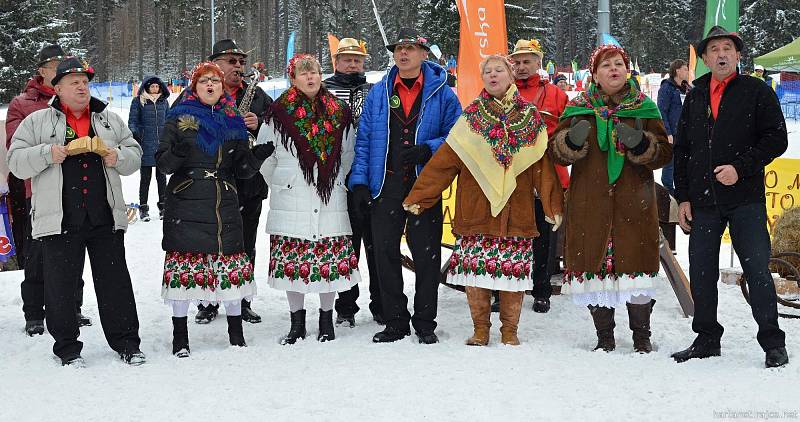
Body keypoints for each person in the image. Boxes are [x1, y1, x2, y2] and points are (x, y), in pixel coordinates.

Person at [403, 55, 563, 346]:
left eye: (498, 70)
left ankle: (510, 332)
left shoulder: (530, 117)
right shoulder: (471, 117)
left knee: (512, 276)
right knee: (475, 275)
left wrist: (552, 205)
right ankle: (480, 330)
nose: (492, 75)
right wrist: (421, 195)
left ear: (510, 76)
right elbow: (446, 161)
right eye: (487, 71)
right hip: (476, 210)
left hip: (517, 210)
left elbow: (542, 165)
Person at [8, 57, 145, 366]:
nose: (82, 86)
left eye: (85, 82)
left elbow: (135, 154)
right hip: (60, 218)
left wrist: (117, 156)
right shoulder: (37, 122)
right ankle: (68, 348)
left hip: (104, 217)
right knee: (60, 286)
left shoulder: (109, 119)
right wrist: (47, 152)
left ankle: (127, 342)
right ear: (58, 88)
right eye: (75, 82)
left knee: (115, 281)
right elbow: (15, 162)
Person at [671, 26, 789, 368]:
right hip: (704, 201)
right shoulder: (694, 96)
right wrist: (685, 198)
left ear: (738, 55)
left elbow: (776, 139)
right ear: (705, 58)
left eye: (727, 48)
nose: (721, 54)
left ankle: (772, 341)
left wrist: (741, 166)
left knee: (757, 269)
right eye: (714, 49)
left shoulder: (756, 91)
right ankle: (707, 337)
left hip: (745, 198)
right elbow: (683, 150)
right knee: (703, 272)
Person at [550, 44, 672, 353]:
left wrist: (643, 144)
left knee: (636, 271)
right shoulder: (578, 107)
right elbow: (556, 153)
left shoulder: (644, 107)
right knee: (594, 270)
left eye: (618, 64)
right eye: (606, 66)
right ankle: (604, 338)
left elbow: (664, 154)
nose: (613, 69)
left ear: (628, 70)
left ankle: (641, 338)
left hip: (635, 202)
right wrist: (570, 141)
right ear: (594, 74)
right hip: (590, 204)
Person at [348, 28, 461, 344]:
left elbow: (459, 136)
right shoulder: (379, 91)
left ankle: (425, 322)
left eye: (410, 48)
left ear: (424, 54)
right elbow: (365, 141)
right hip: (386, 184)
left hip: (425, 185)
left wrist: (429, 147)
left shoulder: (444, 93)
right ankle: (395, 321)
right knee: (384, 254)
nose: (403, 53)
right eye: (399, 49)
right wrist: (359, 183)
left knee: (427, 257)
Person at [157, 62, 273, 357]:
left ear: (223, 88)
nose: (210, 85)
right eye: (204, 81)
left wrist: (256, 158)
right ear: (194, 87)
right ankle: (180, 337)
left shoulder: (232, 119)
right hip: (187, 200)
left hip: (224, 201)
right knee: (186, 269)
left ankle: (236, 333)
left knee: (230, 265)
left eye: (216, 81)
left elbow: (242, 170)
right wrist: (178, 153)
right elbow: (163, 164)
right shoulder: (178, 117)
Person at [258, 54, 359, 344]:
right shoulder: (278, 113)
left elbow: (348, 152)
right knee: (294, 264)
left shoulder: (339, 111)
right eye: (303, 74)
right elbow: (266, 156)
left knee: (328, 264)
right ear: (293, 79)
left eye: (313, 71)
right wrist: (283, 182)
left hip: (330, 196)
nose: (310, 78)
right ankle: (297, 322)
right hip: (292, 198)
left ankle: (326, 319)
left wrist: (334, 178)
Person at [4, 45, 92, 336]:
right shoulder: (22, 104)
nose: (64, 68)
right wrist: (49, 146)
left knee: (74, 251)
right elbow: (15, 148)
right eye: (56, 65)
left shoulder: (80, 100)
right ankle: (34, 311)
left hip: (77, 188)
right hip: (39, 189)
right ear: (42, 71)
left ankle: (73, 306)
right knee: (38, 254)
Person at [190, 39, 273, 325]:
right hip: (209, 184)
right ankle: (208, 300)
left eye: (241, 62)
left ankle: (242, 299)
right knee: (209, 241)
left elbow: (279, 134)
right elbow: (179, 128)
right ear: (214, 64)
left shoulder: (258, 95)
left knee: (245, 242)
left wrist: (259, 123)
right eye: (231, 61)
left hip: (249, 183)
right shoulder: (197, 93)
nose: (238, 66)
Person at [324, 37, 381, 328]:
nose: (353, 64)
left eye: (357, 60)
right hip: (337, 178)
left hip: (371, 174)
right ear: (336, 62)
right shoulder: (324, 90)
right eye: (347, 59)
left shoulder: (374, 90)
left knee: (377, 243)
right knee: (346, 245)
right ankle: (346, 305)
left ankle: (381, 302)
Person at [509, 38, 570, 313]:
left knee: (544, 236)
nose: (522, 67)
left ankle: (541, 289)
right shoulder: (502, 91)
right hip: (510, 175)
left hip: (548, 174)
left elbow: (569, 134)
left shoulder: (556, 94)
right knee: (509, 234)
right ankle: (507, 287)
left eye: (527, 61)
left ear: (538, 62)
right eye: (517, 62)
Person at [128, 76, 169, 221]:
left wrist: (169, 137)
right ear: (146, 87)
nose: (155, 89)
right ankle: (143, 208)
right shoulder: (138, 101)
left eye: (157, 87)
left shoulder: (164, 102)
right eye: (152, 87)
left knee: (161, 178)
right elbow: (132, 121)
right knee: (145, 179)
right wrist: (136, 135)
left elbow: (169, 121)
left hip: (161, 146)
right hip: (145, 145)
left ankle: (163, 207)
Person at [657, 59, 691, 197]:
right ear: (677, 70)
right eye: (685, 69)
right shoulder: (667, 88)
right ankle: (667, 193)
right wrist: (667, 132)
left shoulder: (687, 88)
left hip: (686, 132)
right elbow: (662, 111)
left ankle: (683, 190)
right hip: (672, 133)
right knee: (670, 164)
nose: (687, 72)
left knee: (684, 162)